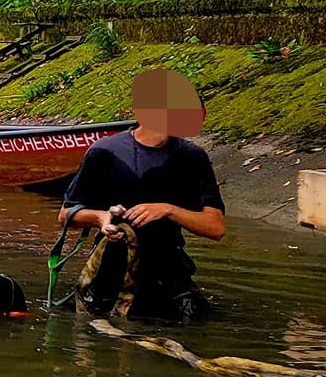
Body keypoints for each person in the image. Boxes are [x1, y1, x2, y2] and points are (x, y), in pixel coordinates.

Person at [59, 67, 226, 321]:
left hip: (168, 271)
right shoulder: (105, 152)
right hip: (111, 268)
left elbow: (215, 228)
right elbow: (66, 215)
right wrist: (101, 219)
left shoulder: (192, 157)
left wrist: (168, 210)